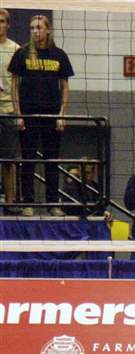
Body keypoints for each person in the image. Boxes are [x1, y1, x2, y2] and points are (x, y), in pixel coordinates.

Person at [7, 14, 73, 217]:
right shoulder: (22, 53)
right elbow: (14, 85)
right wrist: (18, 114)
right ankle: (29, 204)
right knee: (28, 160)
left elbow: (64, 86)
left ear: (48, 29)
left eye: (39, 27)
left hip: (52, 116)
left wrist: (62, 114)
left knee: (52, 161)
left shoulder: (59, 55)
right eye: (32, 28)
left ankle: (53, 204)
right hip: (28, 115)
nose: (35, 31)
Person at [0, 10, 19, 212]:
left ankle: (10, 202)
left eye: (2, 22)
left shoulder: (15, 49)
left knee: (9, 159)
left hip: (7, 109)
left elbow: (18, 83)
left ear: (8, 24)